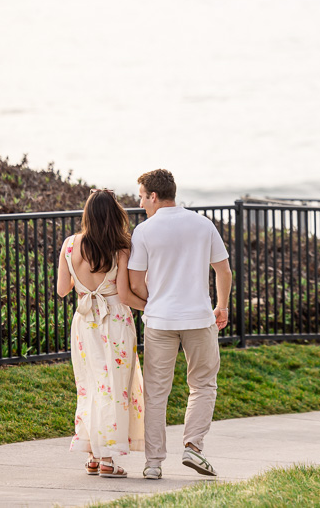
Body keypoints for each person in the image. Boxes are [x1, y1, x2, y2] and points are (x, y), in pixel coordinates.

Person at [129, 169, 233, 480]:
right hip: (199, 318)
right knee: (203, 385)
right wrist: (222, 306)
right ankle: (193, 446)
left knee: (156, 393)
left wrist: (156, 301)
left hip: (160, 322)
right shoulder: (203, 224)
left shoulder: (144, 231)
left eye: (142, 197)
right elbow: (223, 271)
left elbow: (135, 282)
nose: (141, 203)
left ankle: (153, 463)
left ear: (154, 196)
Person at [56, 188, 146, 479]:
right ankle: (108, 459)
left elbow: (62, 289)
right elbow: (125, 295)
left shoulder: (69, 245)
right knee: (114, 389)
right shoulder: (120, 249)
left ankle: (93, 455)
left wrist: (84, 285)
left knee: (90, 387)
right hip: (115, 321)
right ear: (114, 216)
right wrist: (152, 307)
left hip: (84, 322)